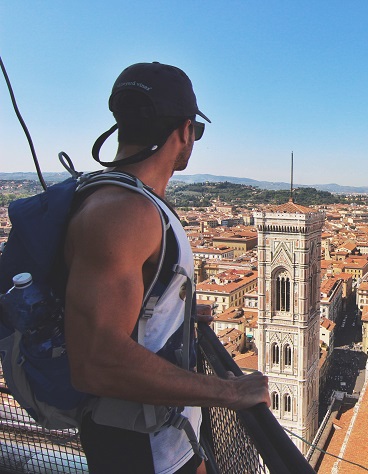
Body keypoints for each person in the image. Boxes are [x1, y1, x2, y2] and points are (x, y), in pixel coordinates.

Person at [63, 62, 270, 474]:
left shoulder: (127, 201)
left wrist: (178, 310)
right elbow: (97, 360)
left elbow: (127, 310)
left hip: (164, 439)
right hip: (140, 448)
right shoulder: (124, 213)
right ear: (184, 131)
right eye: (197, 132)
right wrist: (228, 391)